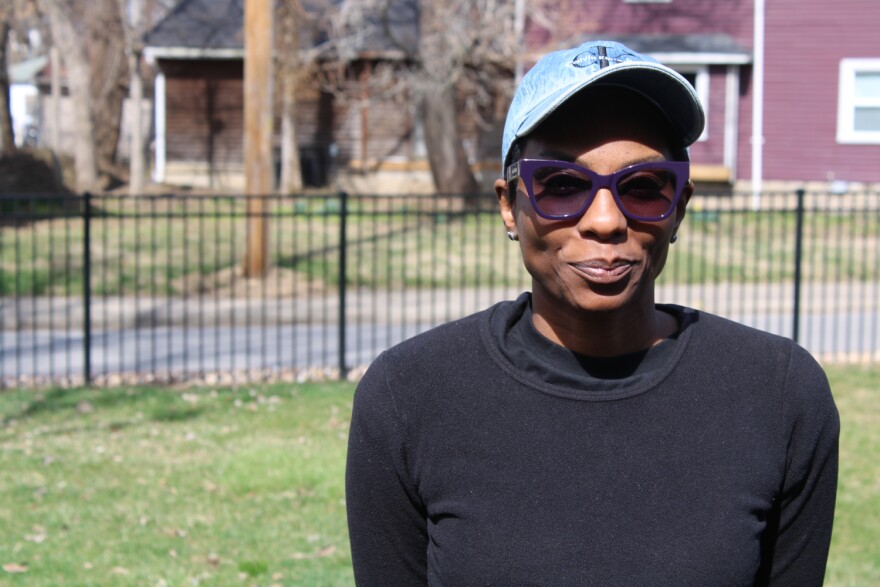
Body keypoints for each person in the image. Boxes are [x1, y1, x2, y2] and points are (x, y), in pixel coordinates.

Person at [345, 40, 839, 585]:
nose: (605, 220)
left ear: (679, 208)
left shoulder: (780, 395)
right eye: (561, 185)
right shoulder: (408, 398)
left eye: (644, 188)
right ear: (510, 205)